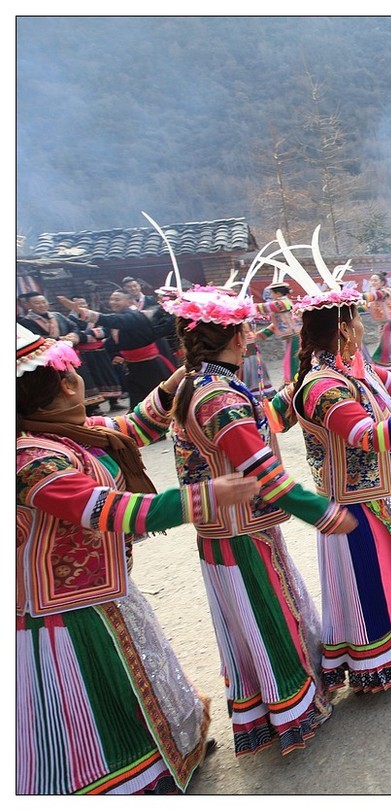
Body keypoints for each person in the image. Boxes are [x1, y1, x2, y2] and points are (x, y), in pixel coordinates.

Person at [16, 324, 260, 793]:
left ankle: (164, 752)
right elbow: (103, 509)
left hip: (101, 589)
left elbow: (134, 428)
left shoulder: (70, 433)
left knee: (138, 671)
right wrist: (200, 498)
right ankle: (121, 779)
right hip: (62, 611)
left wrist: (172, 384)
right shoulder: (30, 458)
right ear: (64, 383)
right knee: (93, 692)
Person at [164, 283, 357, 756]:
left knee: (262, 615)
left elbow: (260, 423)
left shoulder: (202, 383)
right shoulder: (218, 397)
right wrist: (323, 512)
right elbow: (263, 471)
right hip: (239, 534)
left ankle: (278, 707)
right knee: (265, 616)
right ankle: (288, 709)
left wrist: (296, 392)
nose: (250, 337)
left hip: (231, 530)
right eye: (245, 330)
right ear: (234, 337)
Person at [285, 281, 391, 692]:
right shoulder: (322, 387)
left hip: (374, 496)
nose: (363, 327)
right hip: (352, 507)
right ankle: (374, 663)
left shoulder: (348, 371)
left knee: (387, 574)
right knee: (370, 579)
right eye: (358, 319)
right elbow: (370, 436)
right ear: (344, 329)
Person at [58, 290, 175, 408]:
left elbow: (109, 320)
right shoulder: (122, 320)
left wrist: (80, 311)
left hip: (150, 366)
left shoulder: (134, 316)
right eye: (111, 299)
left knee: (161, 402)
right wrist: (77, 336)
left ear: (129, 301)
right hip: (133, 367)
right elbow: (103, 331)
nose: (113, 302)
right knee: (140, 403)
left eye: (117, 299)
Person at [67, 295, 124, 413]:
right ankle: (94, 406)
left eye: (84, 304)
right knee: (92, 379)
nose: (82, 307)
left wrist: (84, 335)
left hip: (100, 351)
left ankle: (114, 402)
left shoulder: (95, 316)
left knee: (107, 376)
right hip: (84, 353)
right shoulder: (70, 320)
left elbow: (106, 331)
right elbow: (74, 335)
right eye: (78, 305)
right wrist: (90, 335)